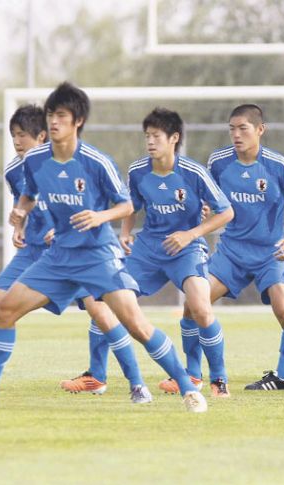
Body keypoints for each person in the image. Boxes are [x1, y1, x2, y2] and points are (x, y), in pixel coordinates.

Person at [0, 82, 207, 412]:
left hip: (98, 257)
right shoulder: (36, 159)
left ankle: (188, 388)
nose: (54, 122)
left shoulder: (96, 162)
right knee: (2, 310)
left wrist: (100, 216)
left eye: (62, 116)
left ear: (78, 121)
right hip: (58, 257)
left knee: (136, 325)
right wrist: (22, 213)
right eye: (51, 115)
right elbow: (29, 192)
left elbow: (126, 206)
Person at [0, 105, 152, 405]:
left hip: (75, 253)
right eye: (13, 135)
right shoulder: (16, 171)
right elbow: (25, 204)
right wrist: (19, 224)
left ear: (42, 136)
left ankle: (137, 384)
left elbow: (88, 204)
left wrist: (65, 229)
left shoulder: (72, 163)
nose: (17, 142)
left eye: (23, 135)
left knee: (104, 314)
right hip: (33, 255)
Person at [160, 103, 284, 397]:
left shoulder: (277, 165)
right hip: (231, 252)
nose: (236, 134)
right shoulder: (219, 162)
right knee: (193, 306)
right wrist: (203, 208)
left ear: (260, 130)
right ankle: (194, 376)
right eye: (232, 128)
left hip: (270, 253)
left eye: (243, 128)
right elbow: (207, 196)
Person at [117, 107, 234, 397]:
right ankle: (115, 380)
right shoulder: (137, 171)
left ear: (174, 138)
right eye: (147, 136)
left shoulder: (193, 172)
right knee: (111, 304)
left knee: (201, 309)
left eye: (156, 136)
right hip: (148, 248)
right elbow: (132, 205)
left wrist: (191, 234)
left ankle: (217, 379)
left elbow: (227, 211)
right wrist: (125, 232)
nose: (150, 142)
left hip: (187, 249)